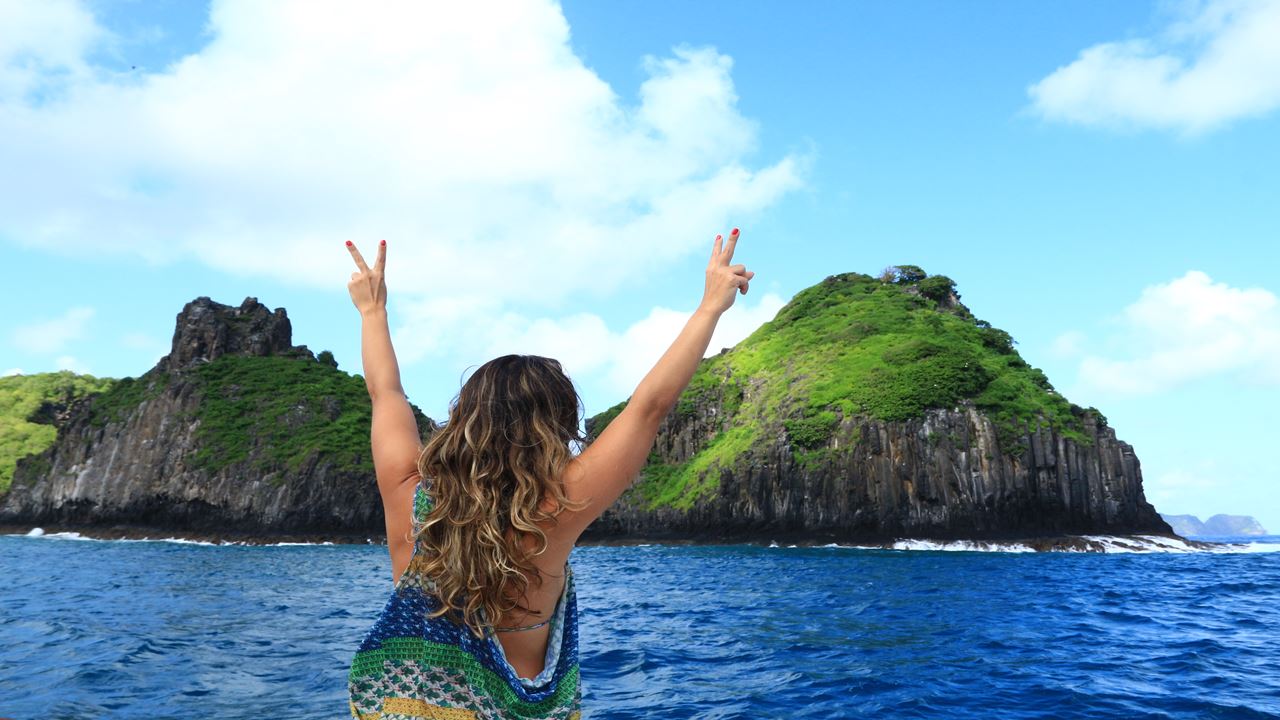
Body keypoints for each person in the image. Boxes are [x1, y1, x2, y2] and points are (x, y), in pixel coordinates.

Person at [345, 229, 755, 719]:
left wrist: (373, 312)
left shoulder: (407, 491)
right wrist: (710, 305)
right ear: (556, 426)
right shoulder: (557, 508)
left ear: (466, 418)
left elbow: (385, 393)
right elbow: (649, 407)